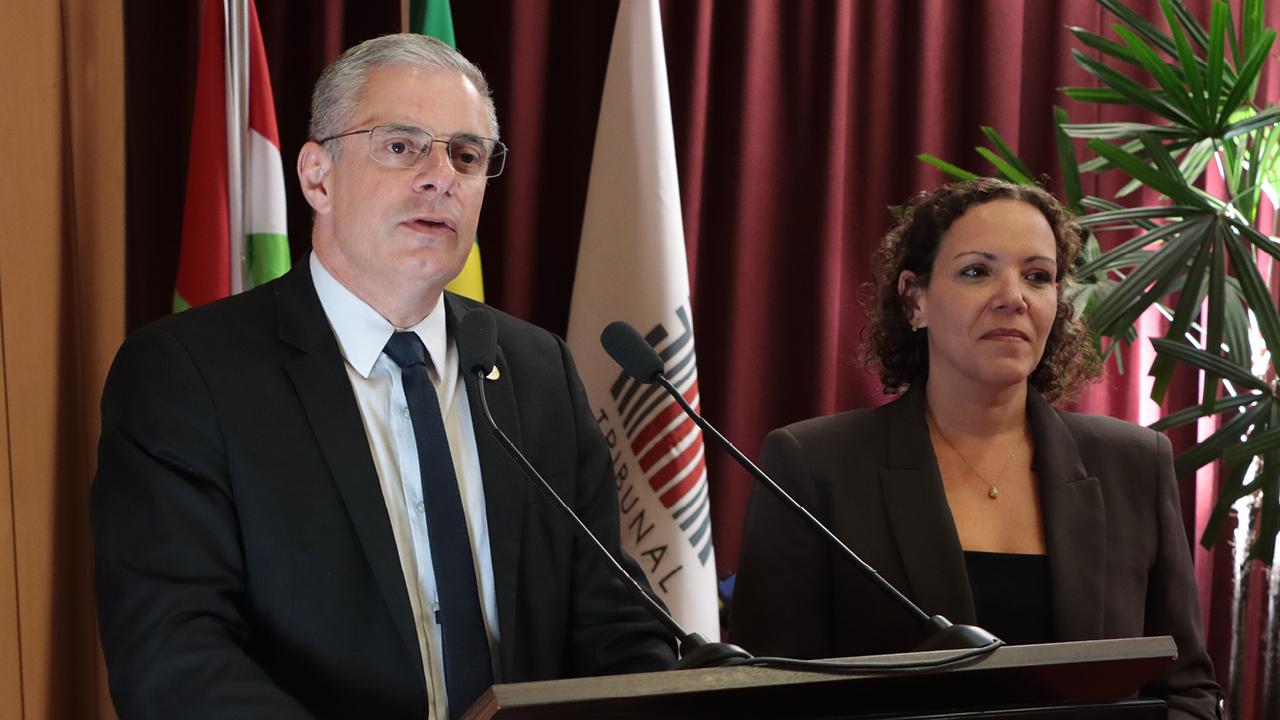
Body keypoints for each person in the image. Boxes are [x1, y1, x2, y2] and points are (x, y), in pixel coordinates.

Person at [92, 34, 676, 720]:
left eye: (466, 155)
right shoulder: (189, 376)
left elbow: (617, 631)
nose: (440, 177)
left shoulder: (538, 370)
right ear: (317, 177)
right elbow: (173, 660)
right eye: (400, 146)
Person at [731, 178, 1221, 720]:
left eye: (1037, 276)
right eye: (976, 271)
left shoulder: (1134, 463)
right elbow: (768, 699)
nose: (1013, 296)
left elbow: (1187, 692)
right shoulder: (811, 463)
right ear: (915, 300)